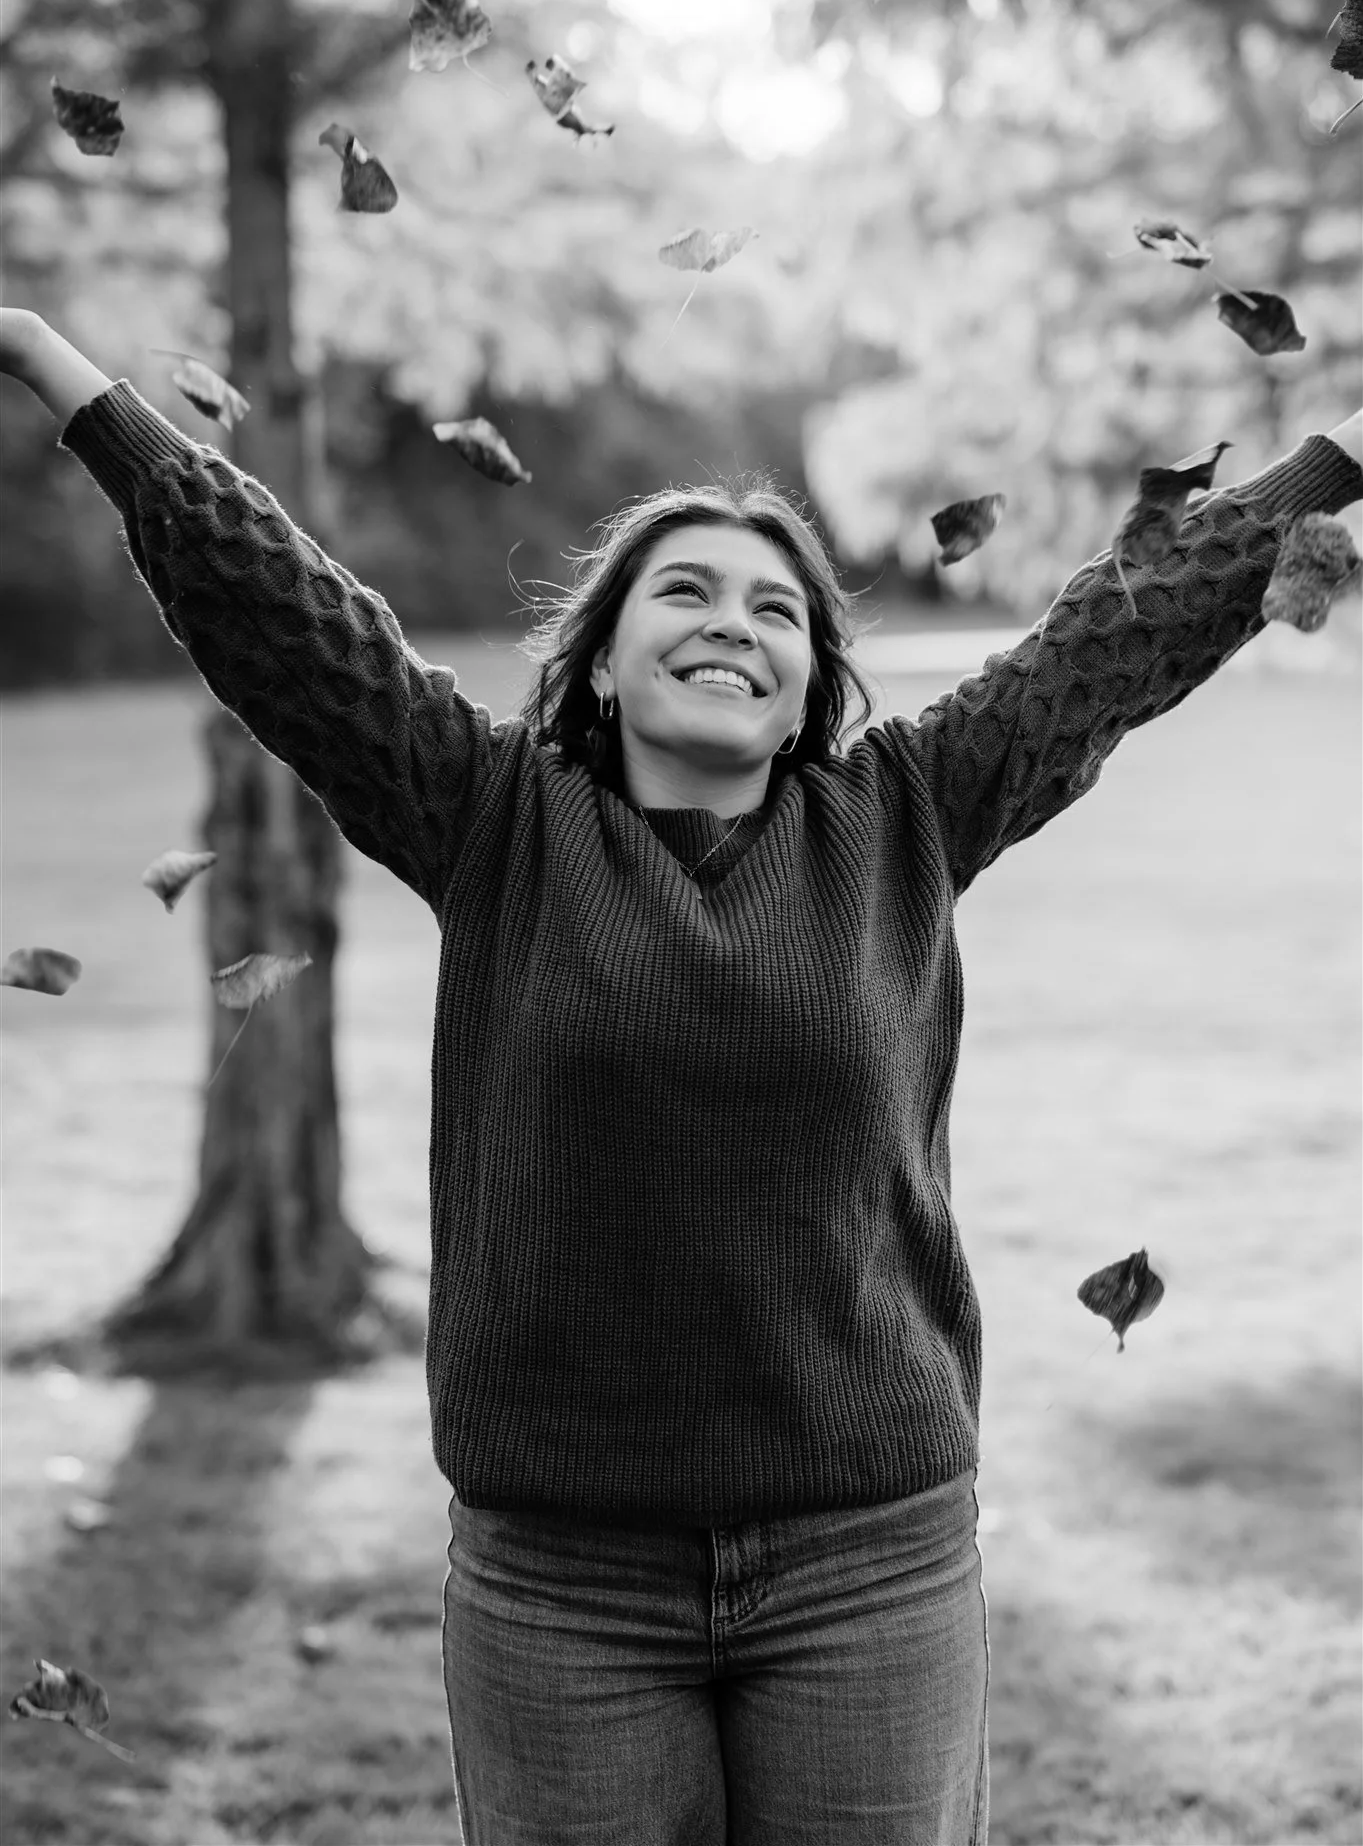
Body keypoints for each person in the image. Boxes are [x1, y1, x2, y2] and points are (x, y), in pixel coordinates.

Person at [3, 304, 1360, 1846]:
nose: (734, 621)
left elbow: (1116, 638)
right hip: (558, 1586)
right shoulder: (488, 815)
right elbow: (279, 610)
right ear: (601, 663)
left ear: (804, 689)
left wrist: (1339, 458)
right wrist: (57, 364)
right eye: (687, 591)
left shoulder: (903, 814)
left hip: (871, 1567)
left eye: (775, 610)